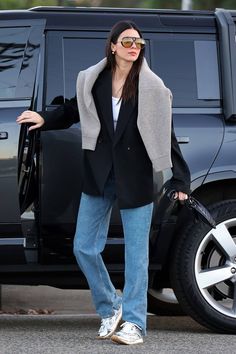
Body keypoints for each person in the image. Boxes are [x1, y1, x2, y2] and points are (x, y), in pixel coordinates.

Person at [17, 20, 190, 345]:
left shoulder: (151, 87)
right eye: (127, 41)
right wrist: (45, 118)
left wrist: (180, 177)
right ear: (112, 46)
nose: (133, 47)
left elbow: (164, 131)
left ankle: (135, 324)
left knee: (136, 254)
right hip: (100, 175)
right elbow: (73, 109)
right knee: (84, 246)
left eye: (138, 42)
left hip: (136, 176)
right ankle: (110, 307)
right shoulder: (94, 81)